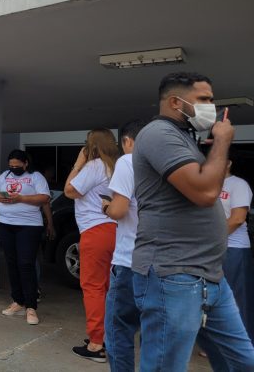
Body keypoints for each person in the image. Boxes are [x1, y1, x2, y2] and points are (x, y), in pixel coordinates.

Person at [132, 72, 254, 371]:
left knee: (241, 360)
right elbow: (205, 192)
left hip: (209, 275)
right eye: (204, 100)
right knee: (166, 366)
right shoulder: (158, 134)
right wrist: (222, 142)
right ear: (176, 101)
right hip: (174, 274)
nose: (211, 106)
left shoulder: (185, 137)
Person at [65, 128, 118, 362]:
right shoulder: (115, 167)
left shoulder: (94, 166)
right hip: (113, 230)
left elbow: (70, 191)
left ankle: (97, 344)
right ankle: (106, 337)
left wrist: (78, 164)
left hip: (95, 232)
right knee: (106, 288)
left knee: (93, 288)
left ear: (91, 146)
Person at [101, 120, 146, 371]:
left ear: (127, 141)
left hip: (130, 259)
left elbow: (119, 210)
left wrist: (107, 207)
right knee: (154, 332)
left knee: (119, 330)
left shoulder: (128, 161)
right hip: (164, 262)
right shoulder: (169, 165)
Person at [0, 150, 50, 324]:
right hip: (6, 224)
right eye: (11, 166)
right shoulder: (4, 176)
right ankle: (18, 301)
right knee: (11, 262)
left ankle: (31, 307)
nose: (14, 168)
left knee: (26, 264)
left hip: (29, 226)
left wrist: (21, 198)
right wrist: (2, 197)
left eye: (17, 166)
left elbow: (44, 197)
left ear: (25, 163)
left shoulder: (36, 177)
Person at [219, 155, 254, 343]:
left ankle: (243, 343)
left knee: (238, 298)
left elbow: (238, 218)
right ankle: (222, 344)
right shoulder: (208, 185)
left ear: (229, 162)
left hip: (235, 249)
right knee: (216, 299)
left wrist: (210, 239)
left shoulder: (238, 184)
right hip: (212, 250)